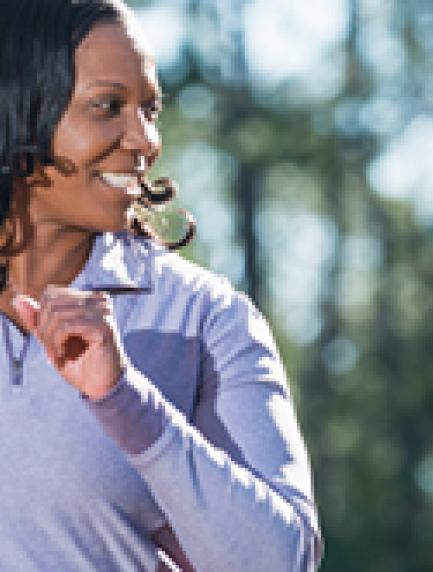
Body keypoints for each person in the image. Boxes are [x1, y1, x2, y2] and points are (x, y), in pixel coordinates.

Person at [0, 1, 321, 570]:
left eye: (150, 109)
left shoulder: (204, 318)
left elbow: (282, 561)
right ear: (18, 109)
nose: (145, 141)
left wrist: (124, 400)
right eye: (109, 107)